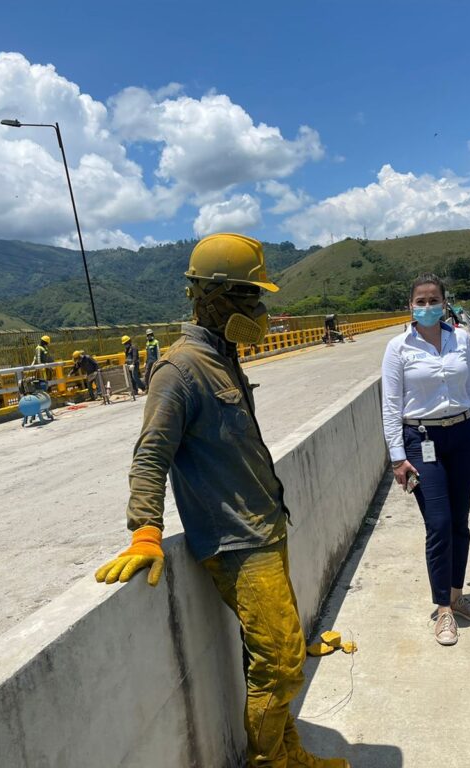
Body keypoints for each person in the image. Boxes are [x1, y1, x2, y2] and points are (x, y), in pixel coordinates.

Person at [94, 233, 348, 768]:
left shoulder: (223, 357)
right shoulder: (180, 370)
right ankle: (271, 764)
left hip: (266, 528)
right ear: (209, 297)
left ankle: (291, 752)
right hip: (236, 544)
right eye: (247, 297)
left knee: (269, 659)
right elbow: (150, 455)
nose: (258, 309)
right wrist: (145, 530)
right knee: (280, 663)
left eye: (258, 297)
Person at [381, 272, 470, 647]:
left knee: (460, 522)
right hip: (421, 440)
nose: (428, 306)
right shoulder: (398, 348)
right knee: (439, 523)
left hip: (462, 435)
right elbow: (391, 406)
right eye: (421, 301)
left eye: (434, 300)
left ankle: (456, 594)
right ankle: (442, 609)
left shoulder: (461, 339)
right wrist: (398, 457)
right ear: (410, 306)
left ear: (445, 303)